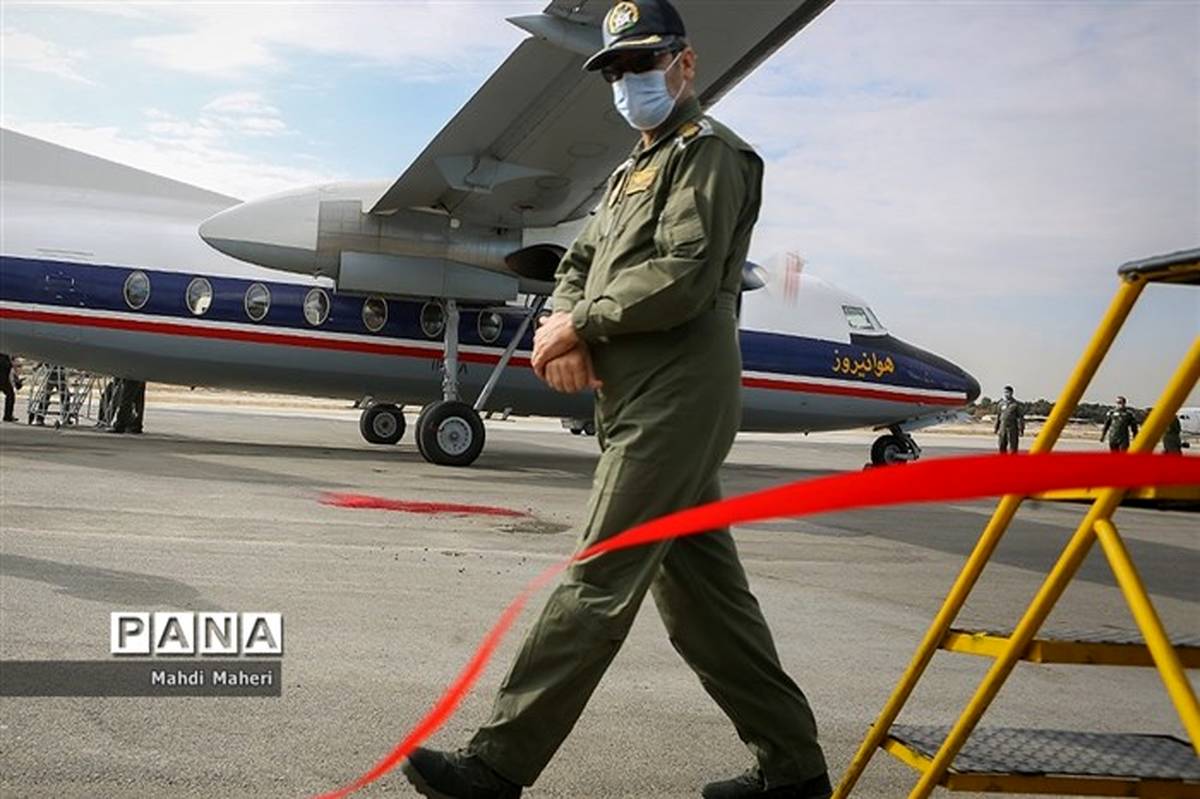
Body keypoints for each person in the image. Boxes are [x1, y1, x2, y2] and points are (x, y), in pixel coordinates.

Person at [401, 4, 830, 799]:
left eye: (643, 64)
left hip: (677, 397)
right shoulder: (632, 173)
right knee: (704, 605)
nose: (629, 82)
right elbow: (579, 263)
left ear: (685, 64)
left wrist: (582, 325)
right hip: (634, 397)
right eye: (616, 71)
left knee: (598, 579)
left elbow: (683, 274)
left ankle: (496, 765)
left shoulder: (711, 157)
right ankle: (794, 770)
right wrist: (564, 328)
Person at [993, 385, 1025, 453]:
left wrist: (1021, 429)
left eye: (1007, 392)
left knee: (1013, 446)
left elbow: (1020, 418)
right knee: (1001, 445)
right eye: (1005, 392)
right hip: (1002, 427)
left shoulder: (1016, 404)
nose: (1006, 394)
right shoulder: (1001, 404)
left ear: (1011, 393)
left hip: (1012, 428)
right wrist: (996, 428)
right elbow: (998, 416)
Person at [1, 353, 17, 422]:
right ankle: (8, 416)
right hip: (3, 380)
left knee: (10, 395)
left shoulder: (5, 357)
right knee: (10, 396)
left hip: (4, 380)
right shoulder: (5, 358)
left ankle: (8, 415)